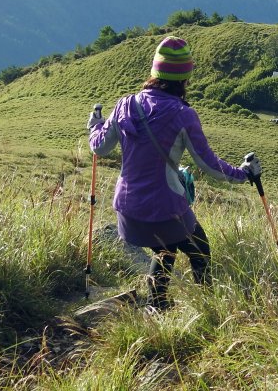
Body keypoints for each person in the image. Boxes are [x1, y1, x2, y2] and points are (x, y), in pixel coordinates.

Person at [88, 35, 261, 312]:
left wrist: (94, 126)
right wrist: (244, 174)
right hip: (164, 207)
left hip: (127, 209)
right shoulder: (183, 114)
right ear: (185, 78)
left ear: (155, 71)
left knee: (165, 249)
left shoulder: (125, 105)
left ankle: (157, 304)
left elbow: (98, 148)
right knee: (199, 249)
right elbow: (209, 165)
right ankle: (206, 305)